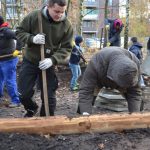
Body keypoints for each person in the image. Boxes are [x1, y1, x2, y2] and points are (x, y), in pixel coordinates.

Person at [16, 0, 73, 117]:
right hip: (30, 60)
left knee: (49, 97)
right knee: (23, 94)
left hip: (48, 63)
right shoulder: (34, 17)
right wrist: (32, 39)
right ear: (48, 6)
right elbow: (19, 32)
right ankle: (31, 108)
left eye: (62, 12)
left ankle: (46, 121)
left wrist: (53, 60)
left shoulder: (66, 25)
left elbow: (67, 47)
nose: (59, 15)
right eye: (56, 11)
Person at [77, 47, 142, 115]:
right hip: (100, 78)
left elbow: (135, 92)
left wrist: (135, 116)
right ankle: (81, 114)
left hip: (123, 78)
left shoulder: (135, 62)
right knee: (86, 103)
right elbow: (86, 92)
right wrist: (86, 116)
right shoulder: (96, 63)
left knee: (135, 102)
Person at [0, 16, 21, 107]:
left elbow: (20, 37)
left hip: (9, 60)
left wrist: (18, 49)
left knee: (9, 81)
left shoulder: (6, 31)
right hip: (1, 60)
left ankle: (16, 101)